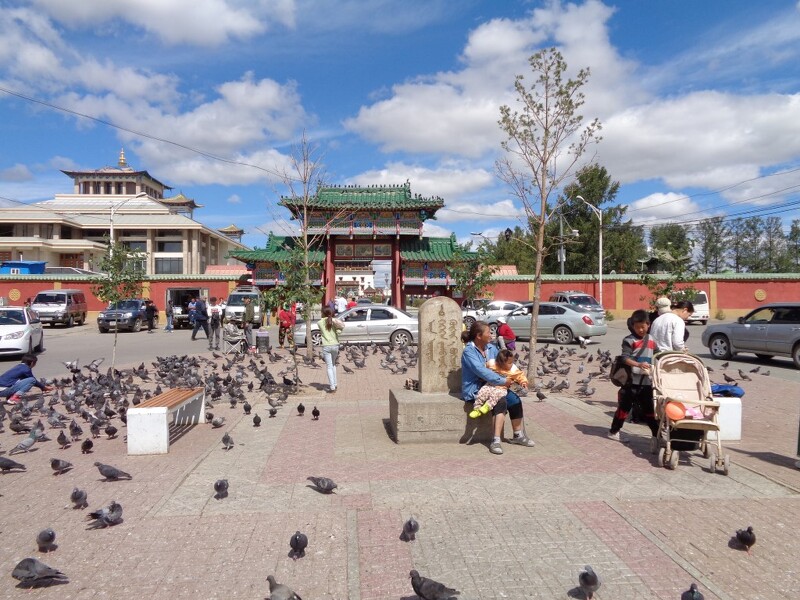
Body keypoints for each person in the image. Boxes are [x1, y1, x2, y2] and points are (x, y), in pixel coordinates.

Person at [461, 321, 535, 455]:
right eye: (488, 332)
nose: (491, 335)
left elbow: (504, 364)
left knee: (515, 400)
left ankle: (518, 435)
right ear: (479, 336)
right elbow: (481, 371)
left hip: (495, 386)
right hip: (476, 389)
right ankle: (495, 441)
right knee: (501, 402)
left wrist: (518, 378)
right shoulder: (469, 351)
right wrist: (503, 381)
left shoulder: (491, 348)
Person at [608, 309, 659, 441]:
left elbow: (658, 355)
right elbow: (624, 358)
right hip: (630, 381)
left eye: (643, 327)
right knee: (624, 408)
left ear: (648, 325)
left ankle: (657, 435)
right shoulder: (629, 340)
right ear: (632, 326)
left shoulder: (652, 339)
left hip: (646, 382)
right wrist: (638, 364)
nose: (640, 330)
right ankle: (614, 432)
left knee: (650, 410)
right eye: (637, 327)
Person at [469, 349, 528, 418]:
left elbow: (520, 376)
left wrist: (523, 382)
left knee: (496, 395)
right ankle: (477, 408)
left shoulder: (513, 369)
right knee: (482, 392)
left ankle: (487, 406)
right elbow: (484, 369)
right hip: (489, 385)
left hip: (501, 388)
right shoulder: (492, 364)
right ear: (501, 363)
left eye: (512, 362)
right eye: (509, 363)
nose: (511, 364)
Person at [318, 306, 344, 393]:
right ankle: (335, 384)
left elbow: (323, 328)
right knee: (333, 365)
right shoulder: (334, 321)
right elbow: (339, 331)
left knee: (329, 366)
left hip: (326, 346)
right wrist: (338, 330)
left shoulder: (319, 322)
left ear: (323, 313)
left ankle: (332, 386)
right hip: (335, 345)